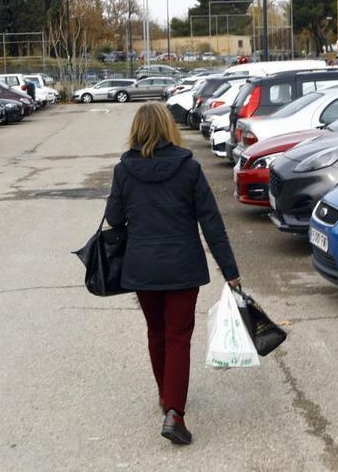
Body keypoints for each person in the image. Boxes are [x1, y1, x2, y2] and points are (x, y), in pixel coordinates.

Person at [104, 102, 240, 446]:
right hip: (182, 266)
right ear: (168, 128)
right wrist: (230, 271)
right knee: (179, 335)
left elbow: (115, 218)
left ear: (136, 130)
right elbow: (211, 221)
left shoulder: (124, 170)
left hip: (142, 265)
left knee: (157, 332)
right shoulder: (188, 168)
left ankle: (167, 397)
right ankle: (174, 413)